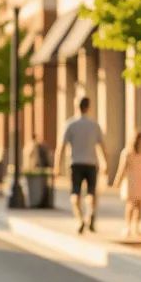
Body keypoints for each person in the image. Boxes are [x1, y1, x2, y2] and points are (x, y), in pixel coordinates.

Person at [55, 96, 109, 234]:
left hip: (75, 163)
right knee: (91, 193)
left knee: (75, 194)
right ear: (88, 107)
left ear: (76, 106)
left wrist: (56, 166)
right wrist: (105, 163)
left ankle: (80, 220)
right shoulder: (94, 125)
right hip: (91, 163)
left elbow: (61, 147)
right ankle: (90, 214)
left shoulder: (70, 124)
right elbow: (102, 146)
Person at [111, 131, 141, 239]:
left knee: (139, 206)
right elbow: (122, 169)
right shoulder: (127, 153)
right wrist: (117, 181)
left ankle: (136, 228)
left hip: (140, 182)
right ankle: (128, 227)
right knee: (131, 205)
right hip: (131, 182)